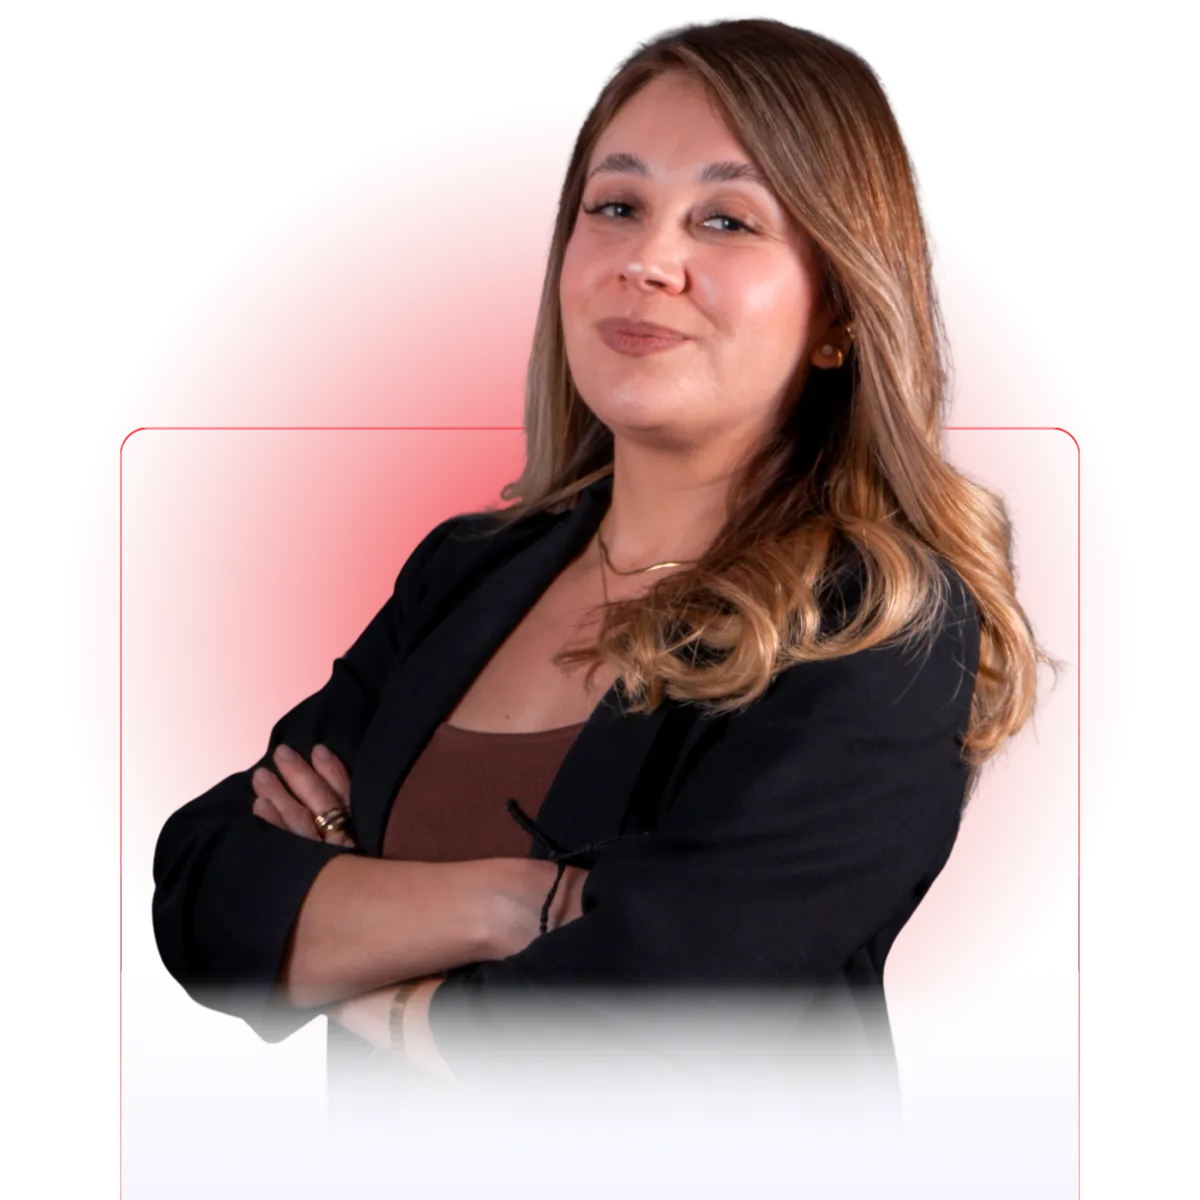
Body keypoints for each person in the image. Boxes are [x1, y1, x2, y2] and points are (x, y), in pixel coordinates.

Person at [150, 17, 1069, 1104]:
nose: (647, 261)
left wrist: (347, 948)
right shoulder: (466, 571)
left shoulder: (881, 626)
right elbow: (204, 895)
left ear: (837, 312)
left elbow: (644, 1024)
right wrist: (514, 904)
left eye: (726, 220)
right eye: (617, 206)